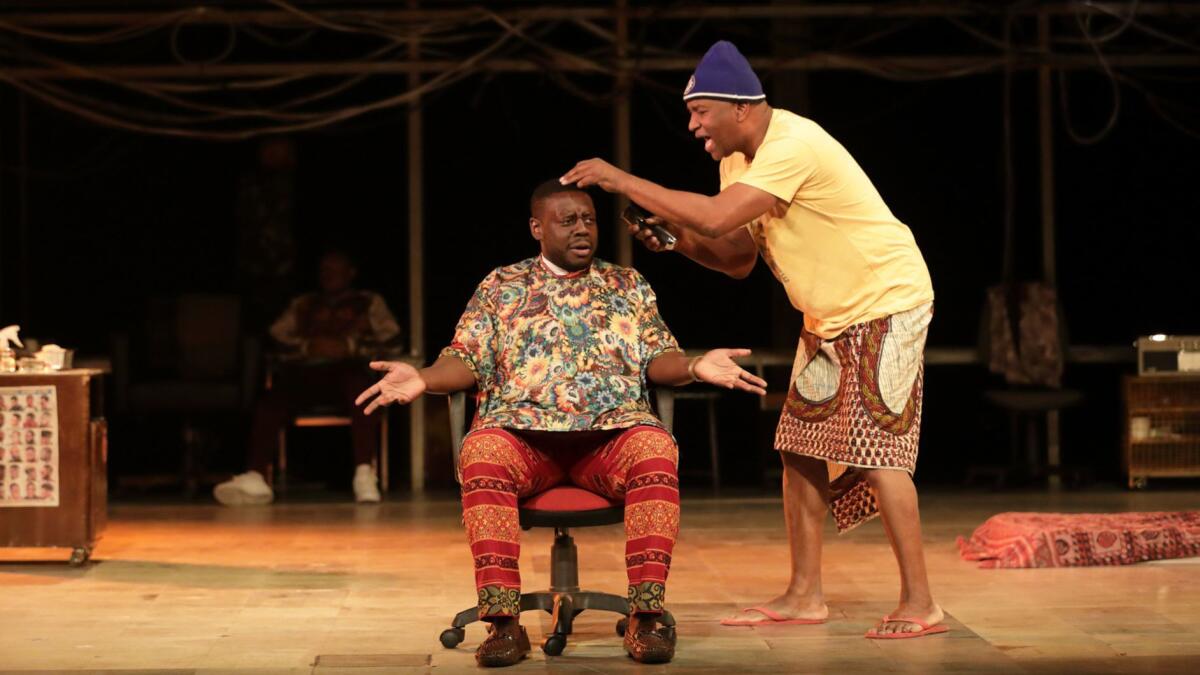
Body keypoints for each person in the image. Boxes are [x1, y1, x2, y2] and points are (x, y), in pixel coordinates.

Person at [560, 41, 941, 639]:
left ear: (740, 107)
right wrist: (678, 241)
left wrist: (619, 179)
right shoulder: (737, 162)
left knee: (877, 449)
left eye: (700, 112)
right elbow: (736, 255)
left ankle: (921, 603)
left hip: (886, 301)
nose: (693, 126)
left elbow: (714, 216)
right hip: (826, 317)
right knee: (800, 446)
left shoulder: (792, 144)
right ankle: (804, 594)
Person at [357, 180, 767, 666]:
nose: (582, 229)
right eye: (567, 220)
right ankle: (504, 624)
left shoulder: (627, 285)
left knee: (656, 448)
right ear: (537, 227)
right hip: (525, 444)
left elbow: (659, 358)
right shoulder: (501, 286)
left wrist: (695, 365)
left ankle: (646, 616)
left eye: (589, 220)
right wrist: (424, 379)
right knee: (482, 450)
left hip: (608, 443)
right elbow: (466, 359)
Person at [213, 250, 402, 506]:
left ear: (350, 273)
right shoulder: (303, 304)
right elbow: (275, 339)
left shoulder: (368, 302)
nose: (329, 275)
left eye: (336, 269)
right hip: (305, 371)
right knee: (272, 399)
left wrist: (349, 346)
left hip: (349, 369)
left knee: (363, 393)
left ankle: (364, 474)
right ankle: (255, 477)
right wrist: (307, 347)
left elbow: (392, 340)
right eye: (325, 269)